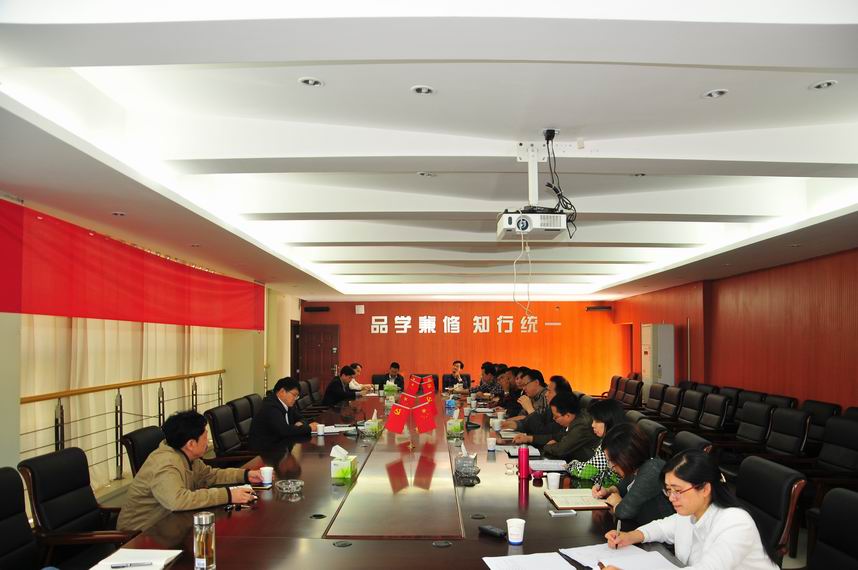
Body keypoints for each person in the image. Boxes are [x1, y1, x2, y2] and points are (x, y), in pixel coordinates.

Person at [603, 450, 778, 570]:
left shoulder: (736, 523)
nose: (671, 498)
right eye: (668, 490)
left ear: (705, 489)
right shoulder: (690, 512)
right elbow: (662, 528)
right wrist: (630, 536)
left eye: (678, 490)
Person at [117, 410, 261, 532]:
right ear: (191, 444)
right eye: (205, 436)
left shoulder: (186, 454)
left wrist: (246, 475)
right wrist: (228, 495)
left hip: (170, 526)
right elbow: (178, 501)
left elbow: (210, 475)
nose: (207, 441)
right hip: (140, 536)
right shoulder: (165, 463)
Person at [594, 423, 673, 528]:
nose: (611, 466)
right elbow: (621, 488)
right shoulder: (637, 467)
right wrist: (607, 491)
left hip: (663, 535)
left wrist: (617, 504)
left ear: (626, 457)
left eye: (612, 461)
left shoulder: (652, 470)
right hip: (643, 528)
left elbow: (624, 512)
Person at [512, 393, 599, 461]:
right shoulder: (574, 419)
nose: (554, 419)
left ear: (567, 415)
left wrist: (547, 446)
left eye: (556, 417)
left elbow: (561, 449)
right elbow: (556, 437)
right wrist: (529, 438)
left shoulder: (581, 425)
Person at [566, 398, 627, 487]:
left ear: (609, 421)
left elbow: (587, 472)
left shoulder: (611, 444)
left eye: (597, 421)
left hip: (612, 491)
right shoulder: (617, 438)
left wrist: (569, 466)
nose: (592, 425)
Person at [248, 377, 318, 449]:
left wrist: (301, 422)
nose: (295, 399)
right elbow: (284, 430)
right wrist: (309, 428)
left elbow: (302, 418)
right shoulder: (270, 407)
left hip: (281, 445)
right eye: (294, 395)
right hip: (265, 450)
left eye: (297, 396)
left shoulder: (288, 404)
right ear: (282, 392)